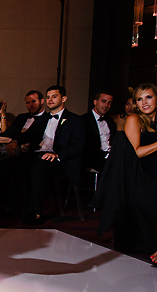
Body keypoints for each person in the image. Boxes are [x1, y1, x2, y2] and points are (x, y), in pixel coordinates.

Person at [95, 83, 157, 265]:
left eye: (149, 97)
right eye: (139, 99)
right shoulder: (134, 119)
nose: (144, 102)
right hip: (141, 175)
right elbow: (136, 151)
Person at [21, 85, 84, 224]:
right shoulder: (42, 119)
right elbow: (25, 136)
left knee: (38, 167)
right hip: (38, 155)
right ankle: (16, 209)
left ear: (64, 99)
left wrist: (58, 155)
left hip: (61, 160)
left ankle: (35, 212)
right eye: (48, 97)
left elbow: (78, 146)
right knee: (13, 164)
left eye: (54, 96)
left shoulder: (75, 120)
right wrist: (12, 140)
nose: (50, 100)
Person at [83, 91, 115, 173]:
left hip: (111, 156)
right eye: (103, 101)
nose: (106, 105)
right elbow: (86, 147)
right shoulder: (84, 120)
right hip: (93, 158)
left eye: (109, 103)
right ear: (95, 102)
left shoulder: (110, 121)